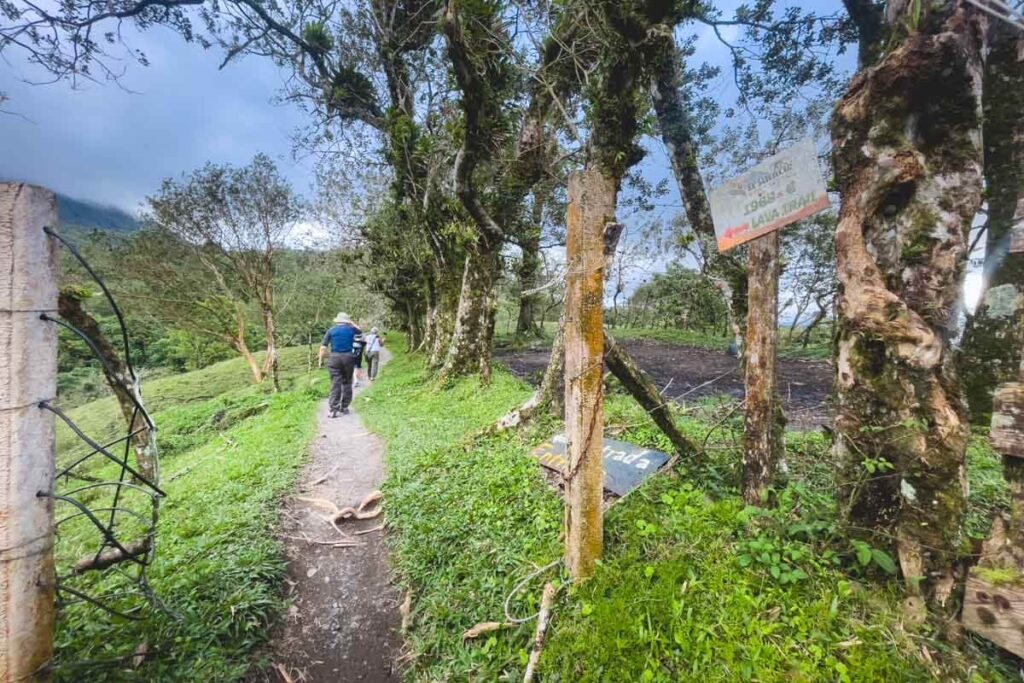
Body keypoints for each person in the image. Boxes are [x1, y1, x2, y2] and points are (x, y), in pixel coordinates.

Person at [318, 312, 362, 417]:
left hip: (334, 358)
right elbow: (360, 331)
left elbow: (323, 347)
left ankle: (333, 409)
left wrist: (321, 360)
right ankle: (344, 407)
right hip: (348, 357)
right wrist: (351, 323)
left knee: (335, 383)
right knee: (347, 382)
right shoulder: (351, 330)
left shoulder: (331, 330)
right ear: (347, 321)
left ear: (337, 321)